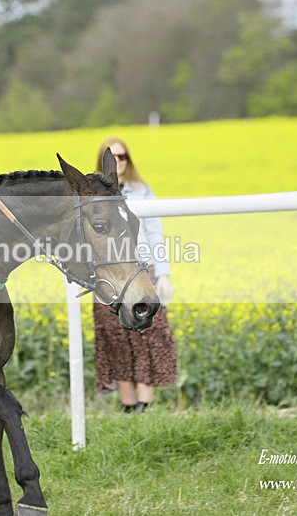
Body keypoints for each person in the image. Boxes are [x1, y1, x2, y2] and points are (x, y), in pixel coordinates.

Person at [92, 137, 177, 413]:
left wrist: (162, 275)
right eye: (112, 157)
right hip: (108, 276)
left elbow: (155, 232)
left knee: (146, 337)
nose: (118, 163)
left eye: (123, 156)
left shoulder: (142, 191)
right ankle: (128, 407)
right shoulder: (93, 193)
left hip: (141, 272)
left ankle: (146, 406)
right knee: (115, 340)